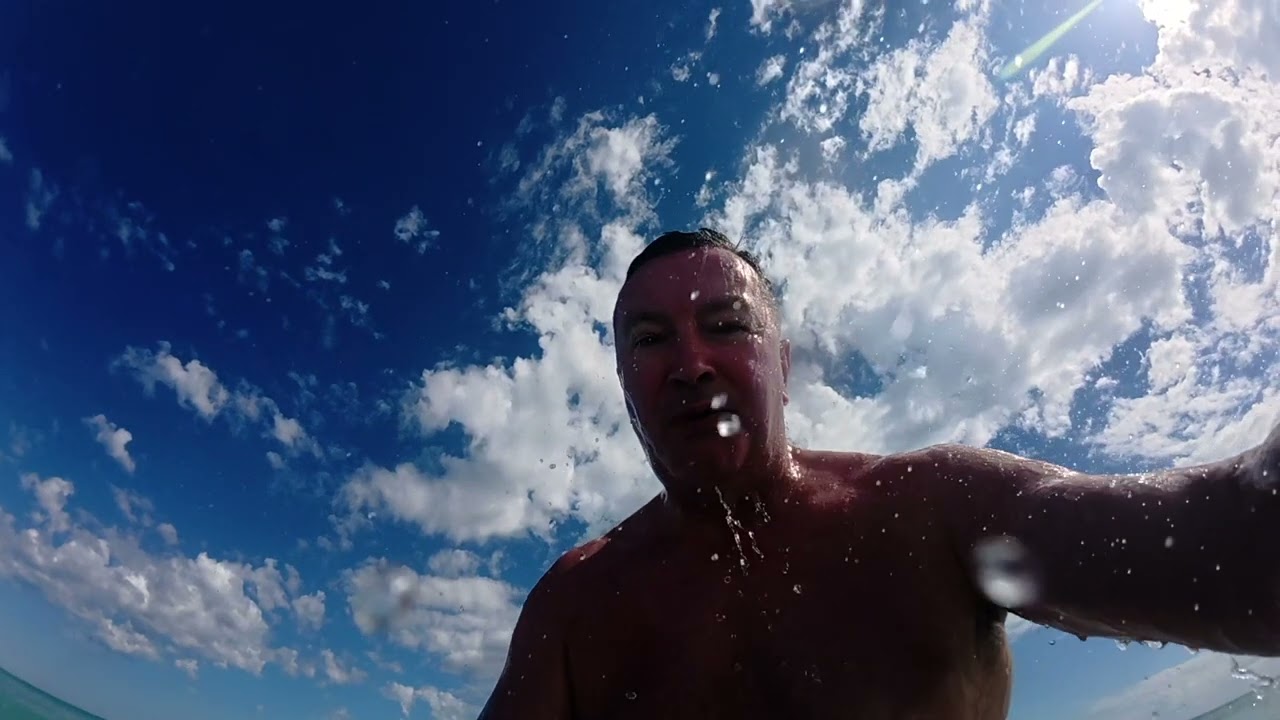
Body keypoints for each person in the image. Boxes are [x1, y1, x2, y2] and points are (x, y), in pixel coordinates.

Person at [478, 228, 1280, 719]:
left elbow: (1239, 543)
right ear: (623, 382)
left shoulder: (929, 513)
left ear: (782, 365)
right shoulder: (576, 609)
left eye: (726, 325)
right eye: (650, 341)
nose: (690, 364)